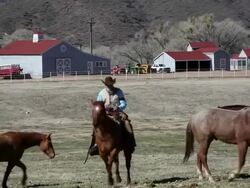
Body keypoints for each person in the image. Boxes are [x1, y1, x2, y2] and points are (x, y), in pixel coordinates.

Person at [89, 76, 136, 156]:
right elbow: (98, 105)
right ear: (105, 85)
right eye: (107, 85)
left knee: (127, 123)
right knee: (96, 126)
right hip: (106, 113)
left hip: (117, 112)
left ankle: (130, 143)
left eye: (110, 84)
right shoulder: (101, 93)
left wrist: (118, 107)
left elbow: (124, 103)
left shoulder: (119, 92)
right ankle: (95, 145)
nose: (109, 86)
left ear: (113, 84)